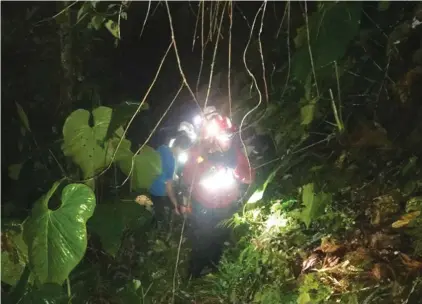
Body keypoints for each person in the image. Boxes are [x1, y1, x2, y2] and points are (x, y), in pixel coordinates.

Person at [149, 134, 192, 227]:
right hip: (157, 192)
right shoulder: (172, 162)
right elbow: (168, 188)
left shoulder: (162, 147)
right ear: (181, 148)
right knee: (175, 199)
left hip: (148, 183)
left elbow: (161, 167)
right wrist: (175, 205)